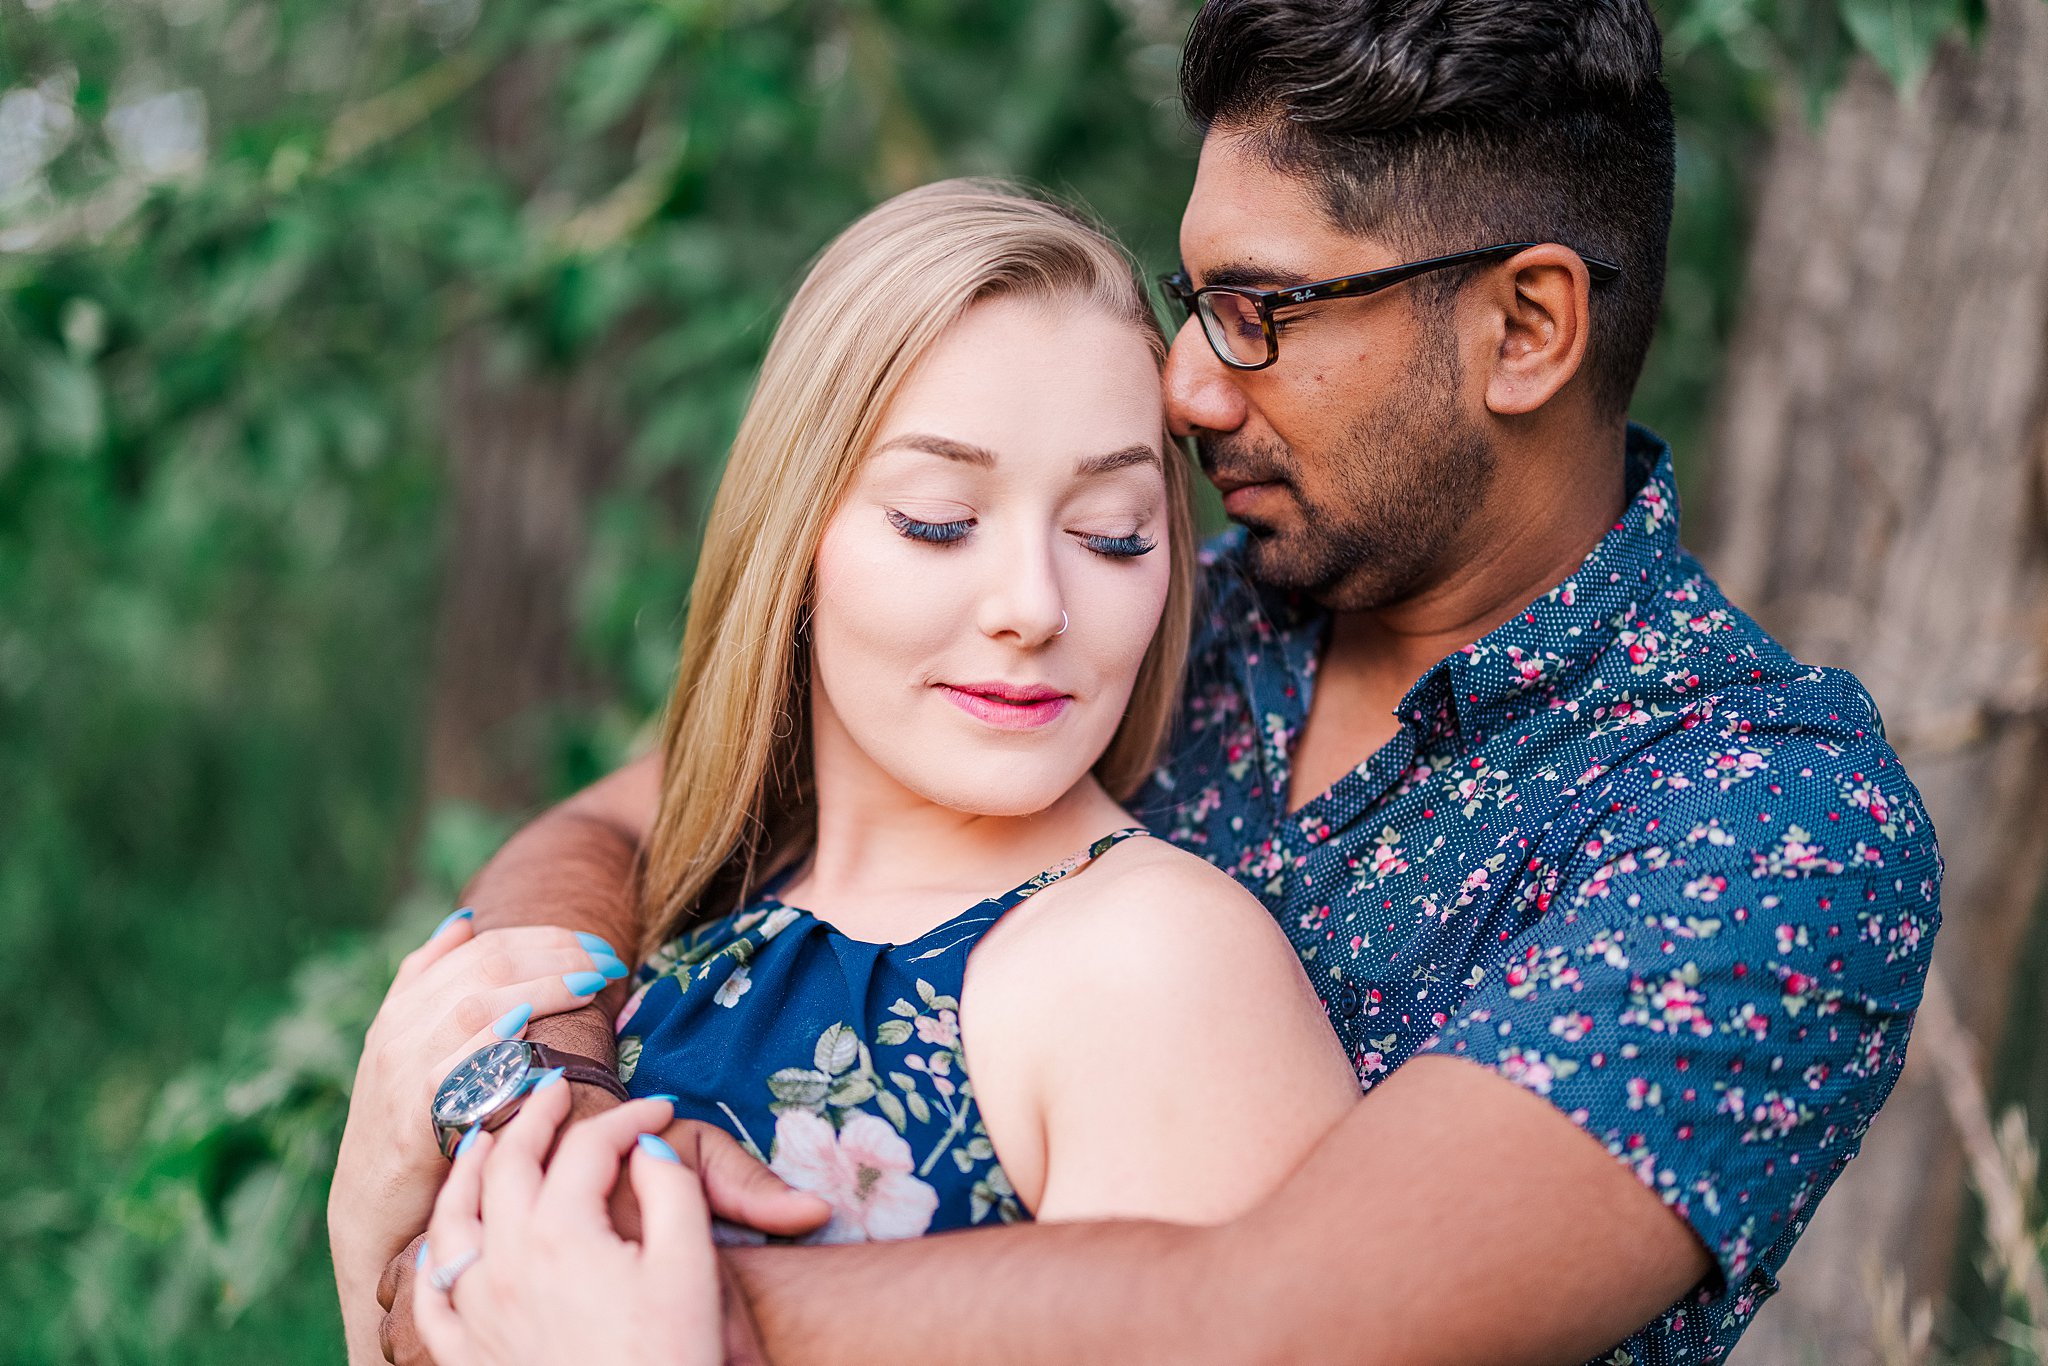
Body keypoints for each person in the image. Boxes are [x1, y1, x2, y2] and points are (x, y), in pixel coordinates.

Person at [350, 2, 1945, 1363]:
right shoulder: (1160, 630)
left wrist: (617, 1282)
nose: (1188, 386)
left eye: (1260, 312)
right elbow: (636, 817)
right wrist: (546, 1101)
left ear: (1525, 327)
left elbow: (1280, 1319)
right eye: (1194, 307)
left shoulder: (1762, 820)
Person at [331, 178, 1362, 1361]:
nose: (1033, 605)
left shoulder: (1153, 968)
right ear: (795, 536)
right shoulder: (712, 894)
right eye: (937, 519)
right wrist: (367, 1214)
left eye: (1110, 533)